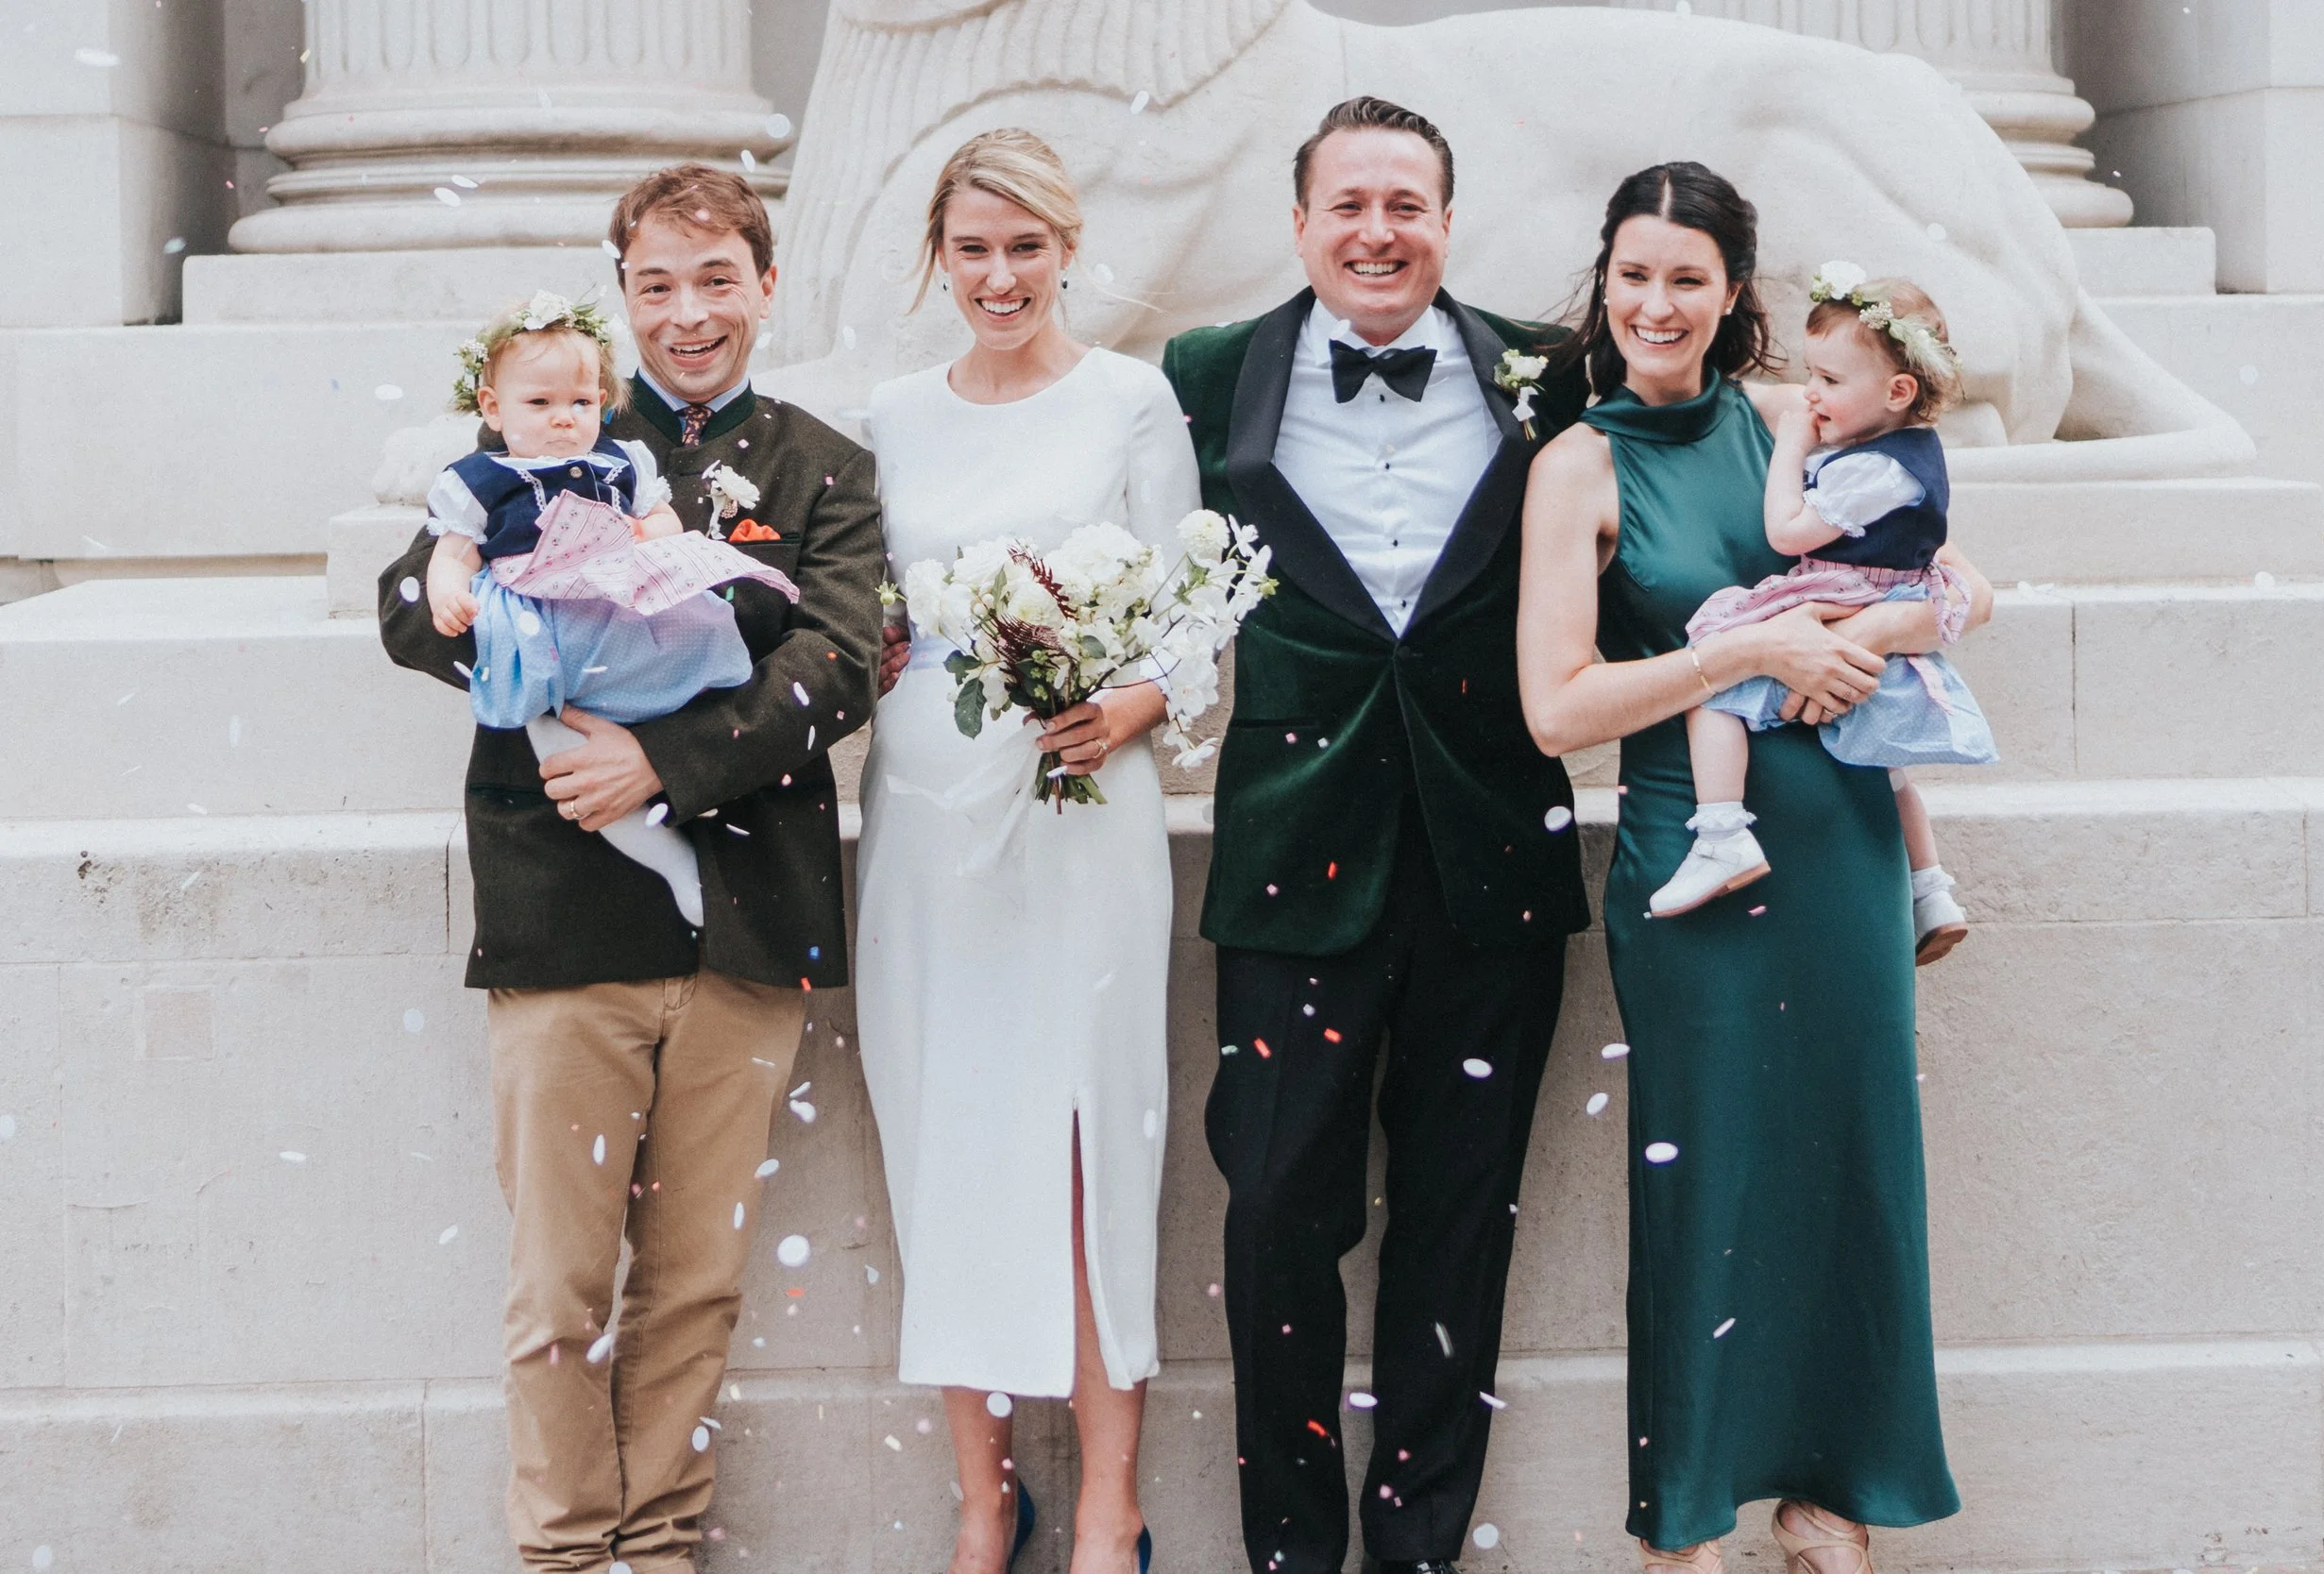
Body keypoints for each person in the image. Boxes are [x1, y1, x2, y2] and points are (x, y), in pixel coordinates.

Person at [377, 162, 884, 1574]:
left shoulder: (824, 464)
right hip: (562, 916)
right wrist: (517, 629)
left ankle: (658, 1545)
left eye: (716, 278)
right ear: (623, 299)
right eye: (655, 284)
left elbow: (837, 664)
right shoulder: (552, 418)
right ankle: (558, 1550)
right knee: (557, 1286)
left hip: (748, 923)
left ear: (767, 287)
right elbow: (412, 607)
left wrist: (662, 760)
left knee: (698, 1287)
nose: (687, 312)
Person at [1515, 161, 1993, 1574]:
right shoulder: (1577, 466)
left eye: (1688, 278)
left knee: (1853, 1155)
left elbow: (1951, 575)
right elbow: (1557, 706)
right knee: (1704, 1174)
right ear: (1606, 284)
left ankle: (1833, 1493)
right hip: (1692, 862)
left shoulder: (1804, 421)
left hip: (1840, 845)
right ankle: (1687, 1519)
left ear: (1735, 298)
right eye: (1636, 274)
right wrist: (1750, 650)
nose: (1658, 302)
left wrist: (1931, 610)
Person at [1160, 97, 1588, 1574]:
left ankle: (1417, 1545)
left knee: (1460, 1222)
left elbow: (1691, 471)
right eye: (1348, 203)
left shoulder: (1548, 372)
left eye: (1406, 203)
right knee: (1278, 1210)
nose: (1377, 230)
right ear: (1299, 224)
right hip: (1291, 858)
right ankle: (1290, 1546)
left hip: (1492, 855)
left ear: (1448, 222)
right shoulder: (1208, 374)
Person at [859, 128, 1190, 1574]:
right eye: (974, 248)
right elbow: (860, 611)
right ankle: (985, 1495)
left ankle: (1109, 1502)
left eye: (1026, 247)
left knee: (1084, 1134)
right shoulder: (887, 415)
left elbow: (1195, 609)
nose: (1000, 276)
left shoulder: (1134, 396)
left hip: (1084, 805)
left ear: (1066, 249)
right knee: (946, 1132)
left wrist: (1135, 700)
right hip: (929, 822)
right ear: (941, 255)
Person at [1648, 265, 1993, 965]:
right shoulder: (1898, 451)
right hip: (1878, 593)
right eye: (1811, 374)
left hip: (1849, 594)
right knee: (1892, 771)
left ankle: (1721, 831)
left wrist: (1790, 447)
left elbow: (1786, 532)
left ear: (1898, 391)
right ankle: (1930, 887)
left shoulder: (1870, 468)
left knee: (1714, 673)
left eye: (1831, 381)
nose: (1811, 393)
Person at [420, 289, 794, 927]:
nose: (563, 418)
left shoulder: (620, 460)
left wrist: (649, 534)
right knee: (559, 746)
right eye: (539, 403)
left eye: (581, 401)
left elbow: (664, 518)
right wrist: (446, 591)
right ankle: (672, 862)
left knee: (703, 632)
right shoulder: (483, 479)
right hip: (546, 630)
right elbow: (453, 553)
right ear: (493, 406)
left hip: (624, 613)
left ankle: (683, 754)